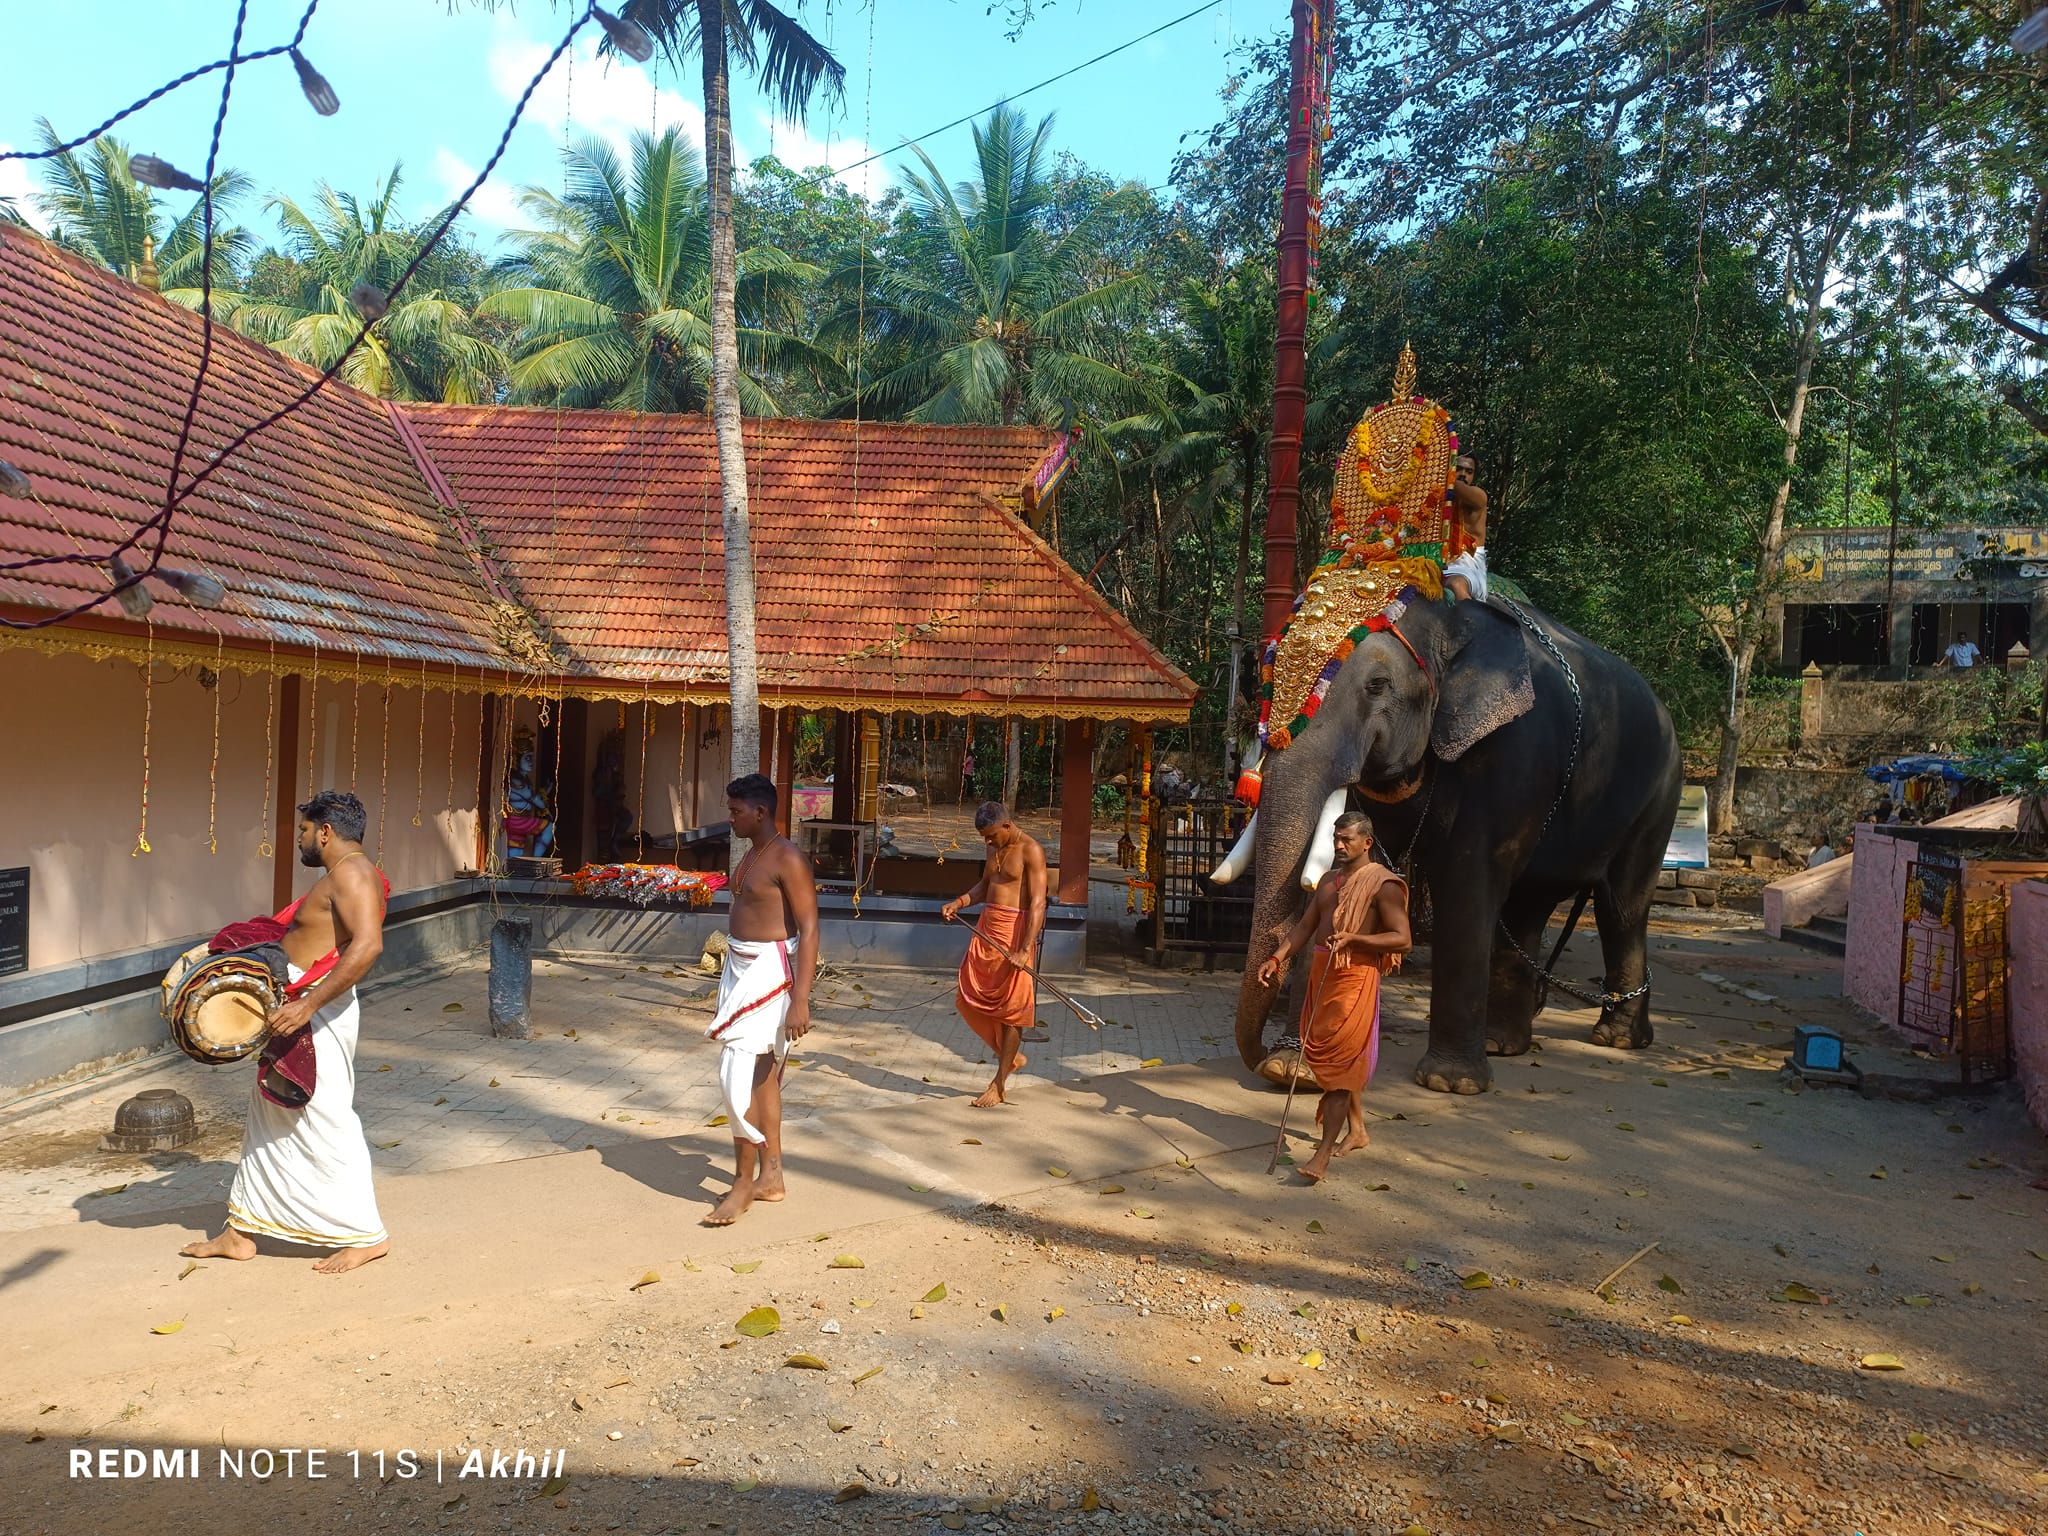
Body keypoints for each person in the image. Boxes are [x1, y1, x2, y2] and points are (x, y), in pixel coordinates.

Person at [181, 792, 391, 1274]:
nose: (298, 839)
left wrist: (308, 1004)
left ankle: (365, 1234)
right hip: (297, 1003)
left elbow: (368, 946)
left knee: (322, 1114)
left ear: (325, 832)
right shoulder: (342, 875)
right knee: (269, 1112)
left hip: (317, 1009)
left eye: (303, 830)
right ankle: (240, 1231)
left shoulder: (354, 875)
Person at [1255, 811, 1411, 1183]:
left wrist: (1357, 939)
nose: (1339, 846)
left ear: (1367, 843)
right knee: (1339, 1064)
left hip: (1355, 980)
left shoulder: (1383, 885)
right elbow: (1307, 926)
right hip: (1321, 978)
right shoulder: (1327, 881)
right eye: (1336, 839)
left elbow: (1403, 939)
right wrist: (1277, 957)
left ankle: (1321, 1154)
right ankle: (1357, 1130)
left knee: (1341, 1069)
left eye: (1347, 840)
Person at [703, 773, 819, 1226]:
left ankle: (742, 1184)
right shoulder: (754, 853)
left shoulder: (788, 858)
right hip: (741, 968)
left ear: (761, 812)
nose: (729, 818)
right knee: (762, 1077)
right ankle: (771, 1175)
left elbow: (810, 929)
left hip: (771, 974)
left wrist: (801, 1000)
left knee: (736, 1071)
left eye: (735, 811)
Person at [941, 802, 1049, 1108]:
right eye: (983, 838)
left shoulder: (1032, 850)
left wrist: (1025, 948)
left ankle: (999, 1083)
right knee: (966, 999)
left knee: (1012, 1011)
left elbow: (1039, 903)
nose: (987, 842)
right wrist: (960, 902)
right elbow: (986, 886)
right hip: (987, 929)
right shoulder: (992, 847)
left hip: (1016, 933)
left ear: (1006, 825)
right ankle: (1010, 1058)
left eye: (991, 836)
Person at [1443, 455, 1490, 602]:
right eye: (1459, 469)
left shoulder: (1479, 497)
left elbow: (1456, 486)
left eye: (1469, 472)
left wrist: (1439, 471)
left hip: (1468, 569)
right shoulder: (1439, 501)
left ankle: (1473, 624)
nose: (1463, 474)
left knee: (1456, 584)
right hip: (1439, 564)